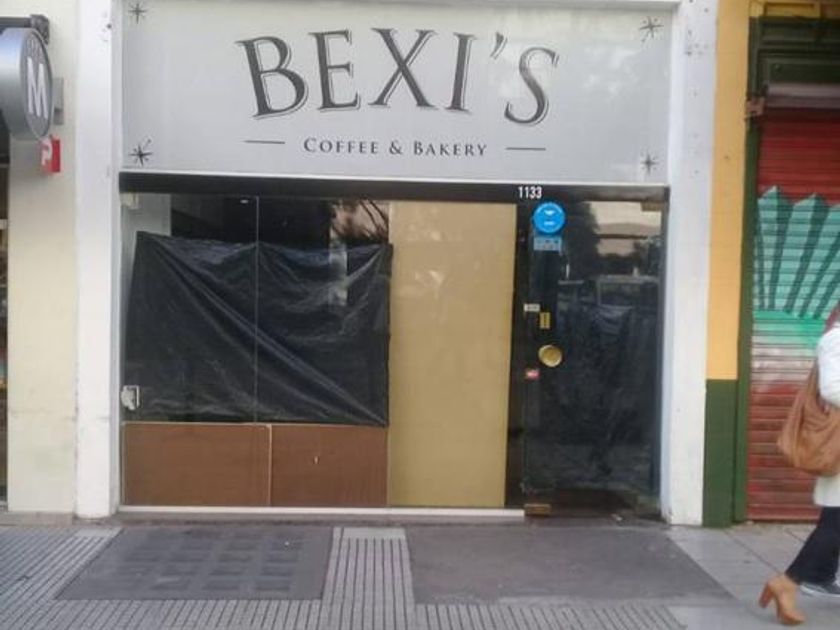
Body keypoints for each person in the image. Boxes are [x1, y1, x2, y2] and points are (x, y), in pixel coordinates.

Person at [760, 301, 840, 625]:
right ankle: (788, 582)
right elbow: (832, 389)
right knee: (834, 525)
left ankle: (800, 580)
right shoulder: (835, 339)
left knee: (834, 523)